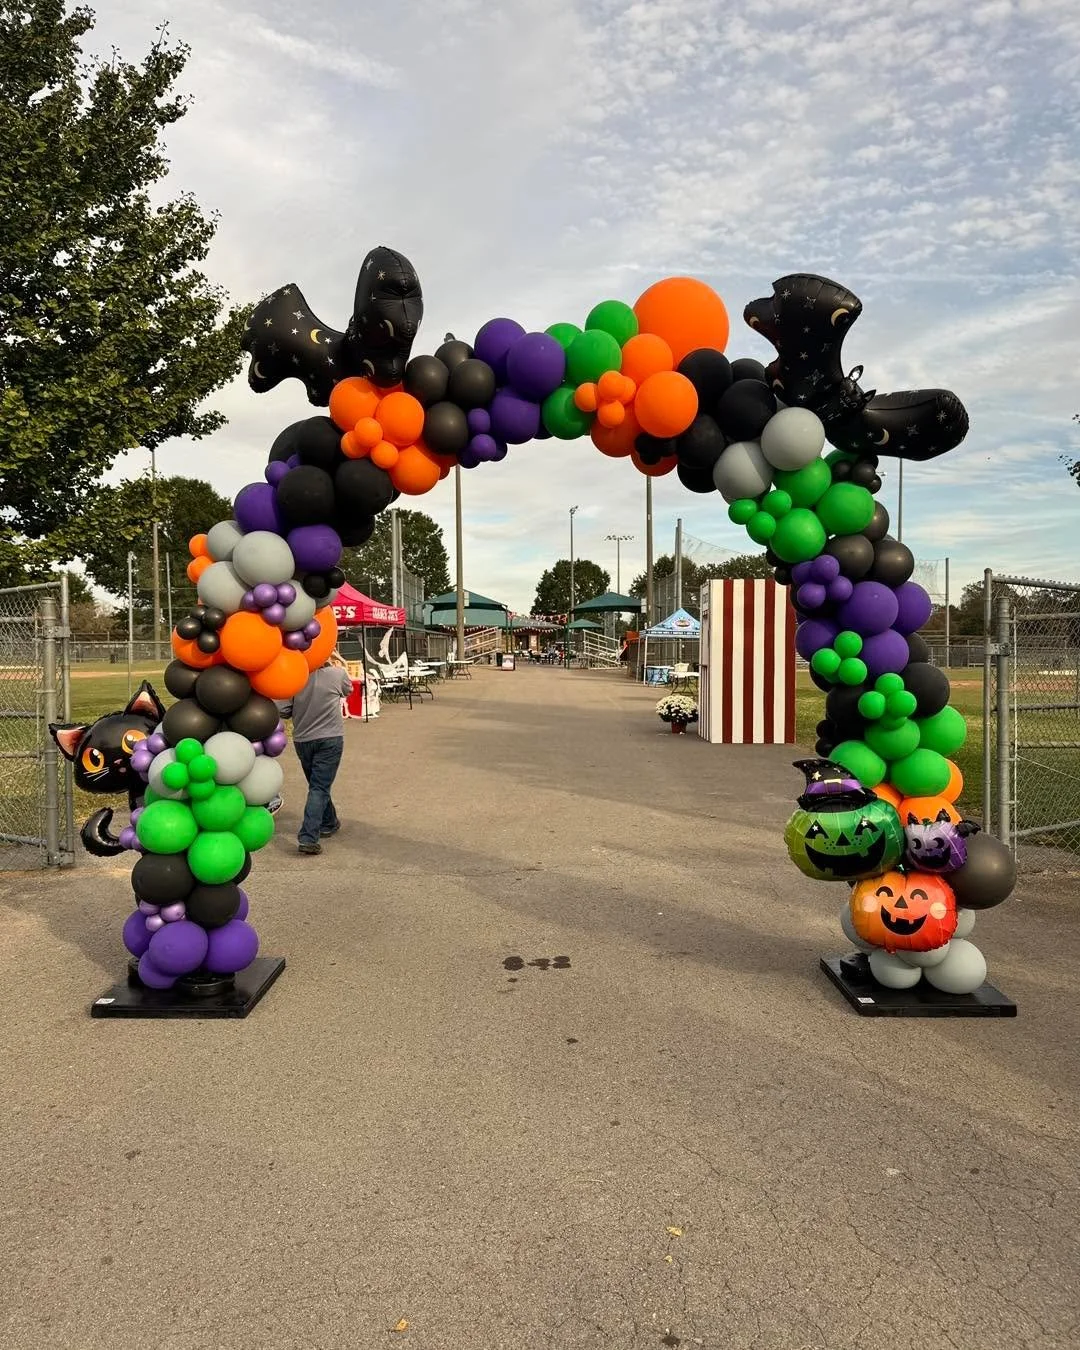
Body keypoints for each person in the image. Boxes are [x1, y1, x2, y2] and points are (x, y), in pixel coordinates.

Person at [276, 649, 354, 855]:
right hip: (330, 739)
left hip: (303, 740)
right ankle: (308, 837)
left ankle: (329, 821)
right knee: (319, 787)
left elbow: (283, 710)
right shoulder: (336, 675)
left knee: (317, 784)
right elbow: (349, 690)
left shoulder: (296, 679)